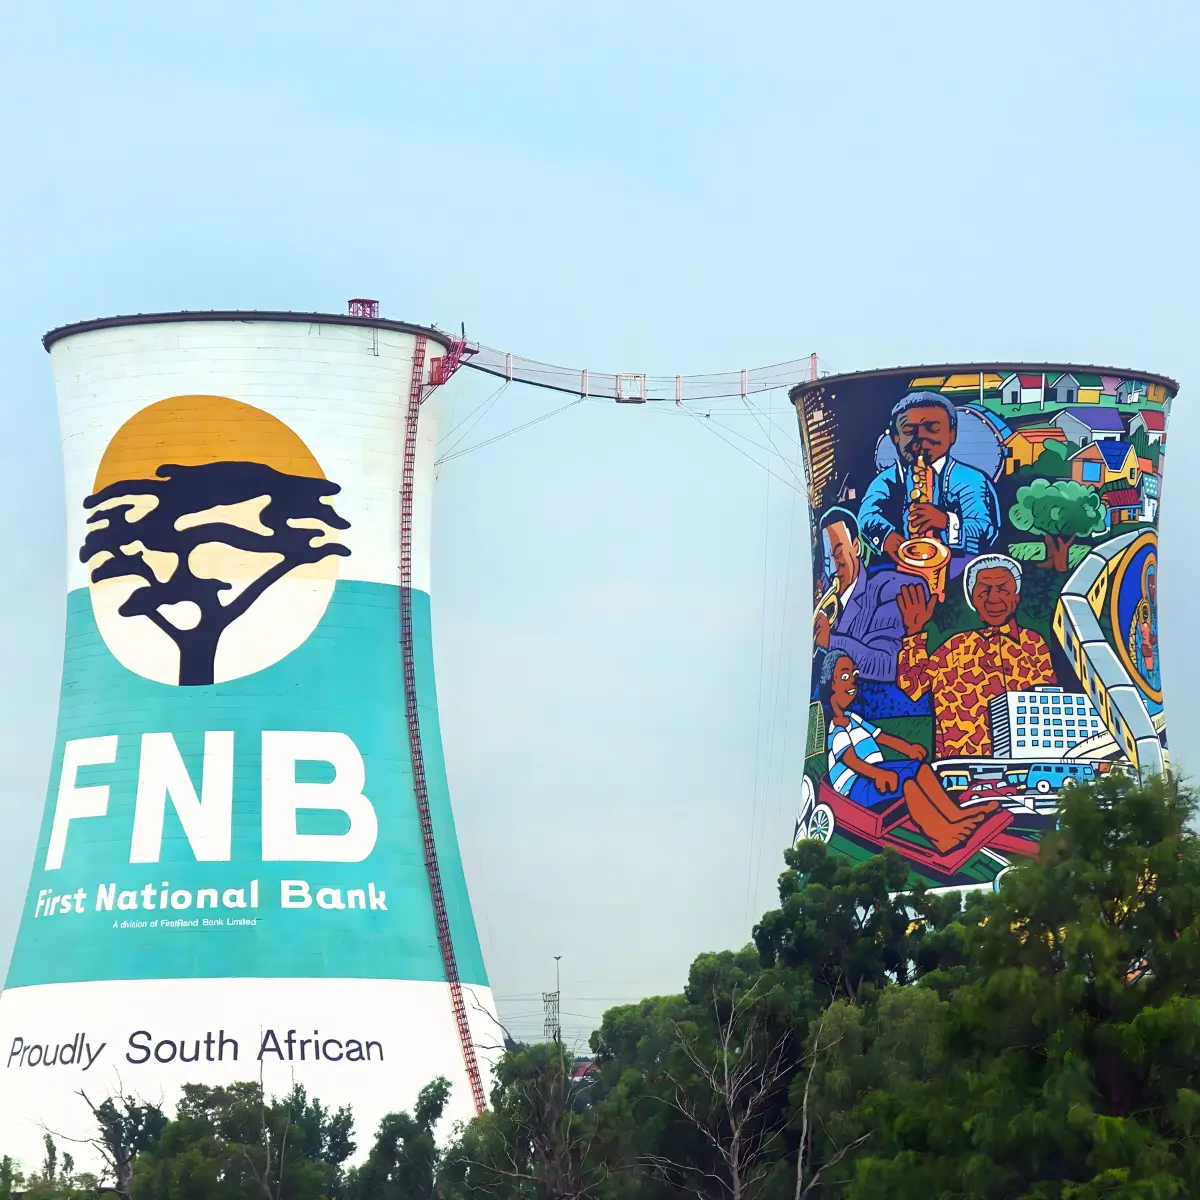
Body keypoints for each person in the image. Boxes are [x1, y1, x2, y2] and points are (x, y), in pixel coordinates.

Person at [820, 652, 998, 854]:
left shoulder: (853, 718)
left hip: (875, 771)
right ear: (830, 684)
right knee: (908, 785)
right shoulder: (837, 729)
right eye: (845, 676)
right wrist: (878, 774)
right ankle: (942, 835)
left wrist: (908, 748)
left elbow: (882, 737)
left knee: (919, 768)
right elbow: (850, 760)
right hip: (856, 787)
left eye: (855, 674)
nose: (852, 681)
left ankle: (956, 814)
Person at [896, 553, 1056, 758]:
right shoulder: (954, 648)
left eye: (1003, 589)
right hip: (962, 767)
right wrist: (914, 632)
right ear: (972, 599)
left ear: (1016, 597)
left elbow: (1049, 704)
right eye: (984, 591)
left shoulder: (1033, 644)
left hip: (1026, 764)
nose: (994, 599)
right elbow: (913, 687)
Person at [857, 391, 1000, 565]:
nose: (921, 438)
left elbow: (983, 528)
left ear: (952, 435)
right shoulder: (888, 479)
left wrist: (945, 521)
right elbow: (866, 515)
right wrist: (888, 538)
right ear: (895, 438)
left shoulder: (971, 479)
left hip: (958, 568)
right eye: (909, 430)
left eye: (932, 428)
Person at [813, 506, 905, 684]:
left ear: (856, 547)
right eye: (827, 560)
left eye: (839, 554)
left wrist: (830, 641)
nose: (833, 569)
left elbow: (888, 663)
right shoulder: (823, 588)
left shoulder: (884, 589)